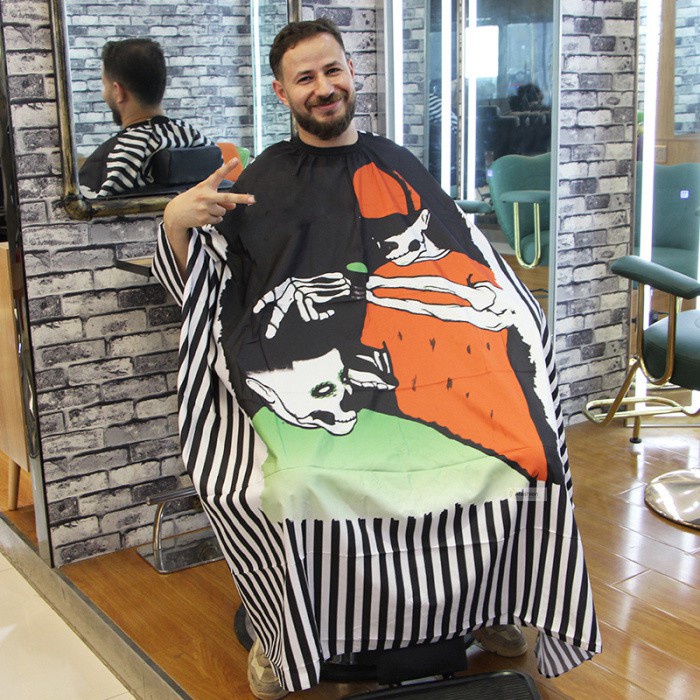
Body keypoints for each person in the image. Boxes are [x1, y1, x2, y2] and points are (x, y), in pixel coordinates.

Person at [154, 18, 600, 700]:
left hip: (424, 359)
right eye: (305, 78)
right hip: (310, 366)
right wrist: (175, 222)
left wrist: (519, 325)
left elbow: (472, 264)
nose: (323, 87)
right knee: (294, 476)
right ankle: (285, 630)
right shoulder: (260, 180)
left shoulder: (400, 164)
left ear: (351, 72)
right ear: (281, 92)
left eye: (332, 70)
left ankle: (492, 600)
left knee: (529, 444)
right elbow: (213, 289)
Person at [78, 38, 213, 199]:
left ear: (118, 91)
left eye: (104, 85)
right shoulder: (198, 141)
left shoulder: (111, 159)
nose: (104, 94)